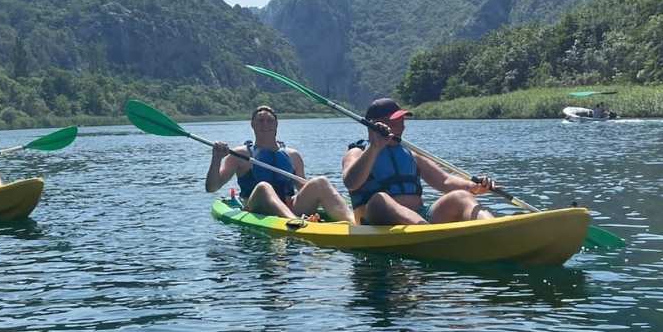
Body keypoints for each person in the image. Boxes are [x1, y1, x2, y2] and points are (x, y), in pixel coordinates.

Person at [341, 98, 495, 225]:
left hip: (421, 216)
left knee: (460, 196)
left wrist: (473, 186)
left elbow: (445, 180)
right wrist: (374, 147)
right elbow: (351, 183)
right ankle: (427, 232)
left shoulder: (411, 154)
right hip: (374, 218)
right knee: (380, 199)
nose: (401, 126)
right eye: (394, 122)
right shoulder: (357, 152)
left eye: (402, 121)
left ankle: (490, 227)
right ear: (375, 125)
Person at [205, 105, 354, 223]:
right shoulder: (239, 154)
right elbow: (212, 187)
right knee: (264, 187)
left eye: (270, 120)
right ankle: (296, 223)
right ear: (252, 124)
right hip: (256, 209)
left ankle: (354, 224)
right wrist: (216, 158)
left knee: (320, 182)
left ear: (276, 124)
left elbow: (303, 188)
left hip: (289, 206)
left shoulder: (293, 155)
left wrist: (324, 196)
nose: (265, 124)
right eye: (260, 120)